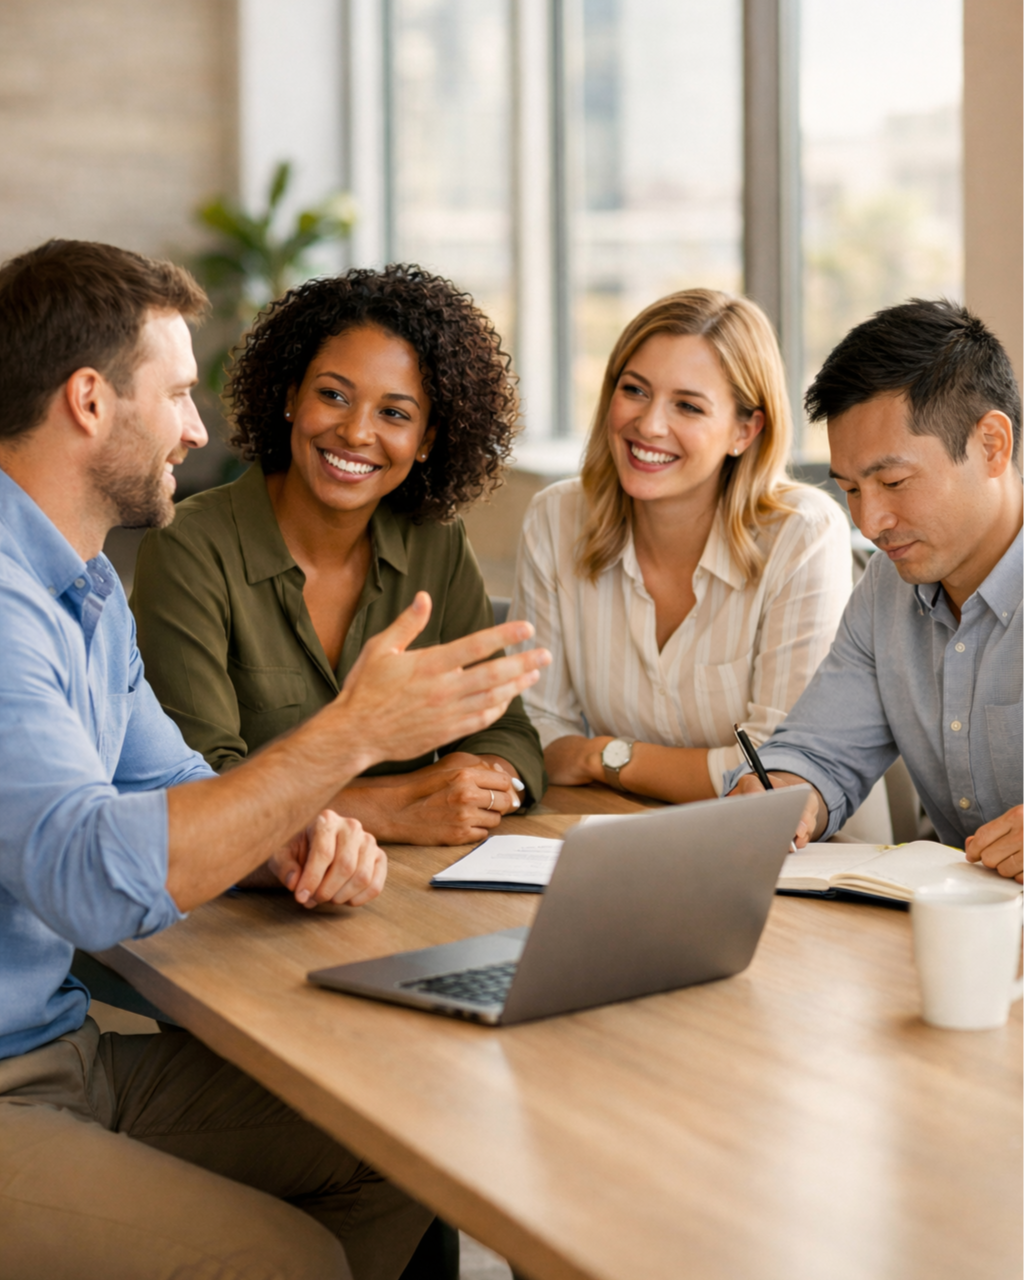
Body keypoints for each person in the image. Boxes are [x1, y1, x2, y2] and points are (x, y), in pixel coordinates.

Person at [0, 239, 549, 1280]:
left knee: (410, 1136)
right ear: (88, 401)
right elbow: (84, 872)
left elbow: (174, 791)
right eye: (176, 394)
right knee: (280, 1257)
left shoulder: (86, 590)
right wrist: (352, 735)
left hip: (66, 1058)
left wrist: (293, 836)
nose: (199, 429)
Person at [132, 265, 545, 847]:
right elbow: (199, 790)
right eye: (333, 395)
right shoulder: (189, 547)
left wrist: (487, 784)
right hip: (240, 901)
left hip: (408, 883)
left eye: (394, 414)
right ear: (290, 398)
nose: (355, 433)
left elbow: (504, 730)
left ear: (427, 440)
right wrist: (393, 810)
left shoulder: (436, 541)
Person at [511, 288, 852, 803]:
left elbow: (774, 770)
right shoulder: (556, 518)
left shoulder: (803, 534)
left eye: (688, 406)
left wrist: (598, 756)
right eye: (635, 390)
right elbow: (535, 728)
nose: (648, 425)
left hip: (809, 858)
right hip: (622, 832)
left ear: (744, 429)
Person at [726, 298, 1024, 885]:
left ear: (992, 445)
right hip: (959, 936)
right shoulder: (888, 586)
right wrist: (783, 794)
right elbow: (819, 750)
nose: (871, 522)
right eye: (852, 490)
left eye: (893, 482)